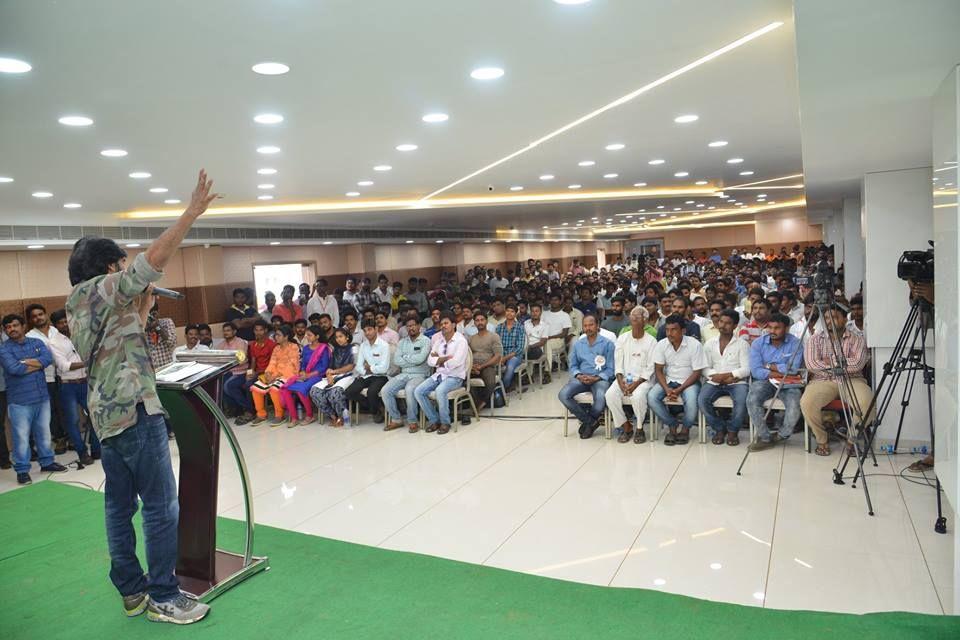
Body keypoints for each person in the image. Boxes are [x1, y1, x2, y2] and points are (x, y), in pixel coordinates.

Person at [65, 169, 219, 624]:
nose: (123, 269)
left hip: (108, 415)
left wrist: (145, 305)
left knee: (118, 504)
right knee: (159, 505)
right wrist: (190, 214)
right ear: (107, 268)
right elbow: (149, 263)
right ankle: (165, 596)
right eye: (119, 264)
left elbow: (123, 332)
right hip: (134, 413)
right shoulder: (99, 288)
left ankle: (132, 592)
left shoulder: (84, 301)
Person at [0, 314, 67, 484]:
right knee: (21, 438)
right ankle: (22, 470)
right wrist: (36, 365)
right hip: (19, 401)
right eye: (8, 327)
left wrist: (27, 363)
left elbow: (48, 359)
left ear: (23, 326)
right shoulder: (4, 349)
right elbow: (14, 369)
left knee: (44, 434)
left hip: (42, 397)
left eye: (15, 325)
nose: (12, 329)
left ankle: (47, 462)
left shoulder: (36, 343)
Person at [800, 306, 873, 456]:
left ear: (845, 319)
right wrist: (841, 363)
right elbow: (812, 365)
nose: (829, 321)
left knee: (868, 404)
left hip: (852, 380)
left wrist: (829, 361)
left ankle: (852, 440)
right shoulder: (815, 339)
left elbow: (858, 363)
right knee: (807, 403)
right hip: (822, 380)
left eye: (834, 317)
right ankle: (822, 440)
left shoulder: (857, 339)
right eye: (826, 318)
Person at [746, 313, 804, 452]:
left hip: (788, 383)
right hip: (765, 381)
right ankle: (765, 437)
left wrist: (768, 366)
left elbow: (794, 369)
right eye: (770, 327)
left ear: (786, 328)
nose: (772, 331)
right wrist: (779, 371)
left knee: (795, 404)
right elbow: (755, 371)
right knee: (752, 399)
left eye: (777, 328)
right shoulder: (758, 343)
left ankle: (781, 435)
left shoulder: (795, 343)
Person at [49, 309, 101, 464]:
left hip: (86, 382)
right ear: (55, 325)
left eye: (66, 321)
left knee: (95, 416)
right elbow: (64, 366)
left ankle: (96, 449)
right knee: (72, 421)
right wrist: (87, 362)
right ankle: (82, 453)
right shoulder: (54, 342)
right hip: (68, 386)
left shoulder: (82, 335)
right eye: (60, 323)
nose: (64, 324)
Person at [648, 314, 707, 445]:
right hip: (668, 380)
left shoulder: (694, 345)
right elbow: (658, 370)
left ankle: (685, 430)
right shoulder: (662, 344)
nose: (669, 333)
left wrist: (680, 389)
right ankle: (672, 426)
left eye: (673, 329)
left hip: (689, 381)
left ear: (683, 331)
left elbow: (697, 372)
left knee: (692, 400)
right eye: (667, 330)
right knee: (651, 397)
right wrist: (667, 389)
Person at [698, 310, 751, 446]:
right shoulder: (710, 344)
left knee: (741, 401)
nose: (723, 325)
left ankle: (733, 431)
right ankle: (719, 428)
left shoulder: (742, 344)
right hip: (715, 381)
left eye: (728, 323)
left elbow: (746, 369)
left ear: (735, 326)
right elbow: (704, 367)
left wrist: (730, 375)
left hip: (736, 382)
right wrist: (717, 376)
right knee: (702, 400)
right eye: (721, 322)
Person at [605, 307, 657, 444]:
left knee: (638, 396)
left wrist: (636, 383)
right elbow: (618, 363)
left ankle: (639, 428)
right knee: (610, 395)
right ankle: (626, 426)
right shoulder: (622, 338)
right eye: (632, 316)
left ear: (645, 320)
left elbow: (651, 367)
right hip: (623, 379)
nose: (634, 319)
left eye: (638, 317)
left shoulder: (651, 341)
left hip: (643, 380)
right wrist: (620, 381)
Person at [558, 315, 614, 439]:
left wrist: (597, 378)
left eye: (591, 325)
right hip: (581, 378)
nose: (588, 328)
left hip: (600, 379)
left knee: (600, 398)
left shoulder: (607, 344)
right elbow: (572, 365)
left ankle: (589, 422)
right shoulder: (578, 344)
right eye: (585, 325)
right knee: (563, 395)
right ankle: (590, 421)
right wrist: (578, 375)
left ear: (597, 325)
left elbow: (611, 369)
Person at [415, 313, 469, 435]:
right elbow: (430, 361)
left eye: (446, 323)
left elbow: (456, 362)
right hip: (439, 375)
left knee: (440, 391)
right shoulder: (439, 341)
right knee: (418, 391)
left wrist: (438, 359)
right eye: (442, 324)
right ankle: (435, 420)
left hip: (455, 377)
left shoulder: (461, 341)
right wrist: (443, 359)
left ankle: (445, 423)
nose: (443, 326)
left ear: (454, 325)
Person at [25, 303, 67, 453]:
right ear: (30, 320)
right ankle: (59, 439)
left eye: (40, 314)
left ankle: (70, 437)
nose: (38, 318)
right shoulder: (30, 337)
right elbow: (32, 360)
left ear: (45, 315)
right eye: (34, 316)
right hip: (45, 378)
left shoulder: (56, 330)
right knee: (52, 411)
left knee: (64, 408)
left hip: (64, 375)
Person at [380, 316, 431, 432]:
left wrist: (406, 358)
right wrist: (412, 360)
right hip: (404, 374)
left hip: (420, 374)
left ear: (419, 326)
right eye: (408, 326)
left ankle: (413, 421)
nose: (411, 328)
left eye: (413, 325)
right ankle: (396, 419)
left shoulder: (426, 341)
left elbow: (421, 359)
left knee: (410, 389)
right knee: (385, 390)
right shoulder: (402, 342)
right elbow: (397, 360)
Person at [225, 320, 275, 425]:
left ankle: (250, 411)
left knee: (248, 385)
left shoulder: (271, 345)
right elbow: (253, 361)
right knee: (232, 386)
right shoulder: (253, 345)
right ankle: (248, 408)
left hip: (267, 373)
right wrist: (249, 372)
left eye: (261, 330)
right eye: (256, 330)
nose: (258, 332)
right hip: (255, 372)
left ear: (266, 330)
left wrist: (255, 374)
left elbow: (272, 364)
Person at [279, 325, 330, 427]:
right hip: (305, 375)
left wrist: (308, 375)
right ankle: (294, 417)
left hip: (318, 376)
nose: (307, 337)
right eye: (307, 335)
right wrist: (302, 372)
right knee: (285, 388)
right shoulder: (306, 348)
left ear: (317, 336)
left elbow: (324, 367)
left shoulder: (323, 348)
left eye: (310, 335)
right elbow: (303, 364)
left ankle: (310, 415)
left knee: (300, 389)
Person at [251, 325, 300, 426]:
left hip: (288, 375)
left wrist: (275, 376)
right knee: (255, 388)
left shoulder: (294, 347)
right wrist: (268, 373)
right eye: (275, 335)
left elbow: (291, 366)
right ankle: (261, 414)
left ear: (286, 337)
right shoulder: (276, 348)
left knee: (274, 389)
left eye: (278, 335)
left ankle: (279, 415)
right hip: (274, 374)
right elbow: (272, 363)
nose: (275, 337)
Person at [344, 319, 391, 424]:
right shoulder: (363, 345)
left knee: (372, 392)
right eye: (365, 331)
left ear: (376, 329)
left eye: (369, 329)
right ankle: (375, 407)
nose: (367, 333)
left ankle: (375, 412)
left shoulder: (384, 345)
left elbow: (384, 368)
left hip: (381, 376)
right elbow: (359, 366)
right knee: (349, 392)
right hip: (366, 375)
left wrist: (370, 368)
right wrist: (366, 371)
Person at [468, 311, 503, 413]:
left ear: (487, 321)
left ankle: (482, 402)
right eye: (477, 320)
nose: (480, 322)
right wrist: (472, 366)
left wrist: (482, 366)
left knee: (490, 381)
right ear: (474, 323)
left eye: (482, 320)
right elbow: (467, 356)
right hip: (473, 366)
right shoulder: (471, 338)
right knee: (462, 378)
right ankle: (475, 402)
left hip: (488, 365)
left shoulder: (494, 336)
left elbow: (497, 356)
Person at [215, 322, 248, 417]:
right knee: (219, 386)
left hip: (241, 372)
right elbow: (217, 358)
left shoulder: (240, 342)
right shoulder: (222, 345)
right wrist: (230, 359)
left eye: (228, 330)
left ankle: (246, 408)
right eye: (224, 331)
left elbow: (241, 360)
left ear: (234, 331)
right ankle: (236, 408)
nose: (226, 333)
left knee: (229, 386)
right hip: (228, 372)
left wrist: (226, 360)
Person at [495, 304, 526, 392]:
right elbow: (496, 345)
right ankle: (496, 387)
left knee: (510, 367)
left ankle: (503, 389)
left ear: (515, 314)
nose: (509, 313)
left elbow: (519, 348)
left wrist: (505, 358)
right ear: (505, 312)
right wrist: (499, 357)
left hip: (515, 355)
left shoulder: (520, 327)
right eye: (508, 311)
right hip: (501, 354)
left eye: (512, 311)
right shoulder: (499, 327)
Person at [542, 293, 572, 370]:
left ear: (560, 301)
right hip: (544, 338)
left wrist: (550, 337)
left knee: (547, 344)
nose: (554, 302)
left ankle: (547, 371)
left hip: (558, 340)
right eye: (552, 300)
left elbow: (564, 333)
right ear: (549, 301)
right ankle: (529, 374)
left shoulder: (565, 315)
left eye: (556, 300)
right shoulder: (544, 314)